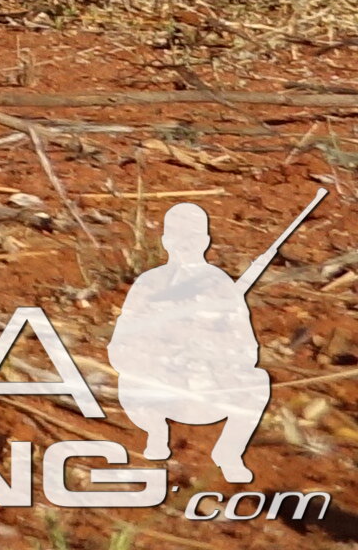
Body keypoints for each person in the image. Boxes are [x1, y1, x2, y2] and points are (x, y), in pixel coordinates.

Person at [110, 199, 277, 484]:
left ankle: (229, 452)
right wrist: (163, 351)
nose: (185, 243)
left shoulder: (222, 285)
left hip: (207, 390)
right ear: (165, 240)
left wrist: (212, 351)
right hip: (159, 389)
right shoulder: (149, 283)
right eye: (177, 235)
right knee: (126, 380)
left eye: (193, 236)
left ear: (205, 241)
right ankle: (156, 433)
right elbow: (119, 347)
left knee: (258, 380)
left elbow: (248, 350)